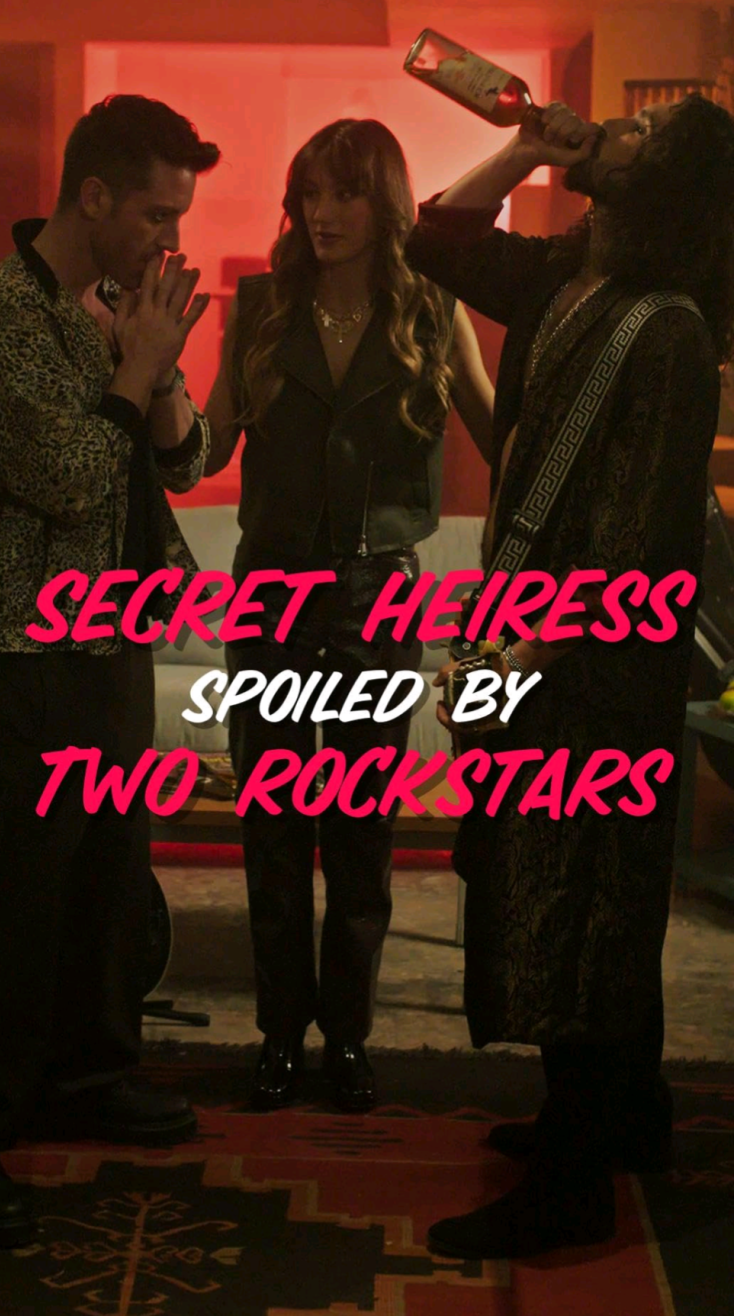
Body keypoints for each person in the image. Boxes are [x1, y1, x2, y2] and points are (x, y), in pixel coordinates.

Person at [404, 92, 734, 1258]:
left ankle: (575, 1182)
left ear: (667, 186)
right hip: (539, 642)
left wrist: (525, 651)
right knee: (550, 885)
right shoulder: (566, 270)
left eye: (643, 134)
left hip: (594, 666)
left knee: (579, 905)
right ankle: (618, 1115)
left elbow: (635, 541)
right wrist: (522, 150)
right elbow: (437, 237)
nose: (610, 131)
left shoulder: (672, 330)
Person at [0, 94, 220, 1247]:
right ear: (95, 194)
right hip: (21, 643)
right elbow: (68, 474)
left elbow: (183, 457)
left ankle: (90, 1073)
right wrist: (137, 367)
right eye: (158, 213)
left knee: (111, 874)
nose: (170, 237)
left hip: (112, 634)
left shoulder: (114, 303)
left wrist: (157, 368)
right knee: (21, 891)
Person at [204, 118, 494, 1113]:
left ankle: (350, 1037)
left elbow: (506, 436)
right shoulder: (261, 305)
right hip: (272, 590)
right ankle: (281, 1032)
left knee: (363, 826)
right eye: (310, 193)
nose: (321, 213)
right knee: (275, 821)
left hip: (380, 591)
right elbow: (206, 448)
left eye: (345, 192)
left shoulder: (430, 306)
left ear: (387, 202)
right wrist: (149, 375)